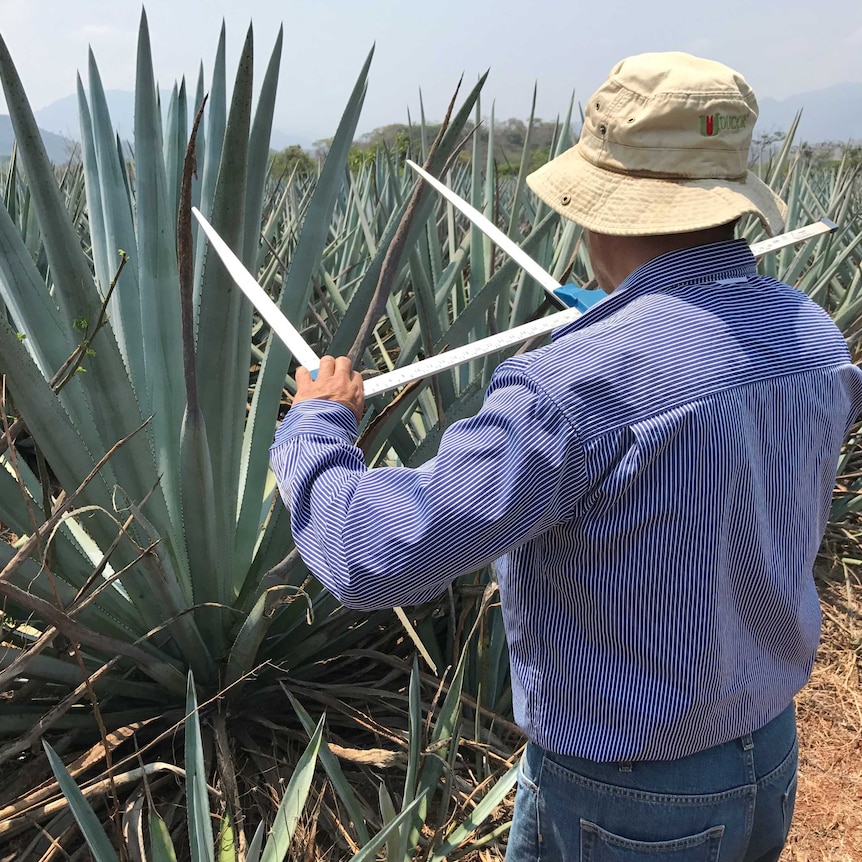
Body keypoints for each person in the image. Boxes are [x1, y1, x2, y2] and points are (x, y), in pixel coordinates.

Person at [270, 52, 862, 861]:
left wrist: (317, 429)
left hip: (630, 795)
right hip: (765, 753)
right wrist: (619, 318)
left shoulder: (569, 388)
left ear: (601, 208)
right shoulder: (814, 339)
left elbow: (375, 557)